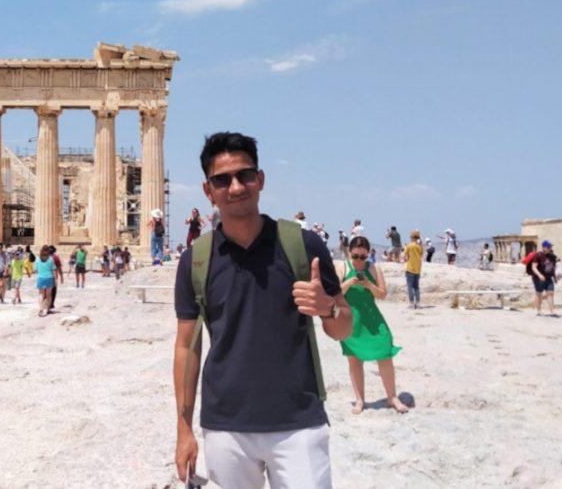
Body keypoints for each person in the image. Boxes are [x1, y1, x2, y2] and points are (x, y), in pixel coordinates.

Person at [174, 132, 352, 488]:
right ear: (208, 191)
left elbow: (343, 328)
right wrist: (183, 429)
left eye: (245, 175)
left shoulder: (303, 244)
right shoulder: (196, 259)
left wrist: (328, 308)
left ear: (261, 179)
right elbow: (185, 347)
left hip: (298, 423)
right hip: (225, 427)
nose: (236, 187)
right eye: (222, 180)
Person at [335, 236, 408, 415]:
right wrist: (349, 282)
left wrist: (368, 284)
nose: (359, 260)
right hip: (351, 319)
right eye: (356, 256)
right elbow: (335, 293)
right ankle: (360, 400)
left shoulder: (374, 269)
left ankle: (392, 397)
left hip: (373, 318)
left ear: (368, 254)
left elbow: (382, 294)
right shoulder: (343, 267)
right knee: (354, 359)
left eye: (363, 256)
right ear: (350, 253)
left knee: (385, 353)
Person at [530, 240, 558, 317]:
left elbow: (553, 268)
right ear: (543, 247)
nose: (550, 248)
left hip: (548, 278)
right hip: (538, 278)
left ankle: (552, 311)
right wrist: (539, 275)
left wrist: (555, 277)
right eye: (548, 247)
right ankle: (538, 310)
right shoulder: (538, 255)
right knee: (539, 294)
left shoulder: (552, 256)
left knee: (550, 293)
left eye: (550, 247)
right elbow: (534, 267)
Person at [33, 245, 57, 317]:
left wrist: (40, 273)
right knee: (48, 295)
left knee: (41, 294)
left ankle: (41, 308)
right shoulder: (50, 259)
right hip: (49, 278)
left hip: (41, 278)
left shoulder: (37, 259)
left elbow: (35, 270)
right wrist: (55, 279)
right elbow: (53, 269)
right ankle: (47, 309)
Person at [403, 230, 423, 309]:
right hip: (418, 269)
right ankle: (418, 303)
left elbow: (405, 256)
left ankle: (411, 303)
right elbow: (421, 255)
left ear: (411, 237)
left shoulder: (409, 246)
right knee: (416, 287)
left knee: (410, 287)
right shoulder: (420, 246)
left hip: (410, 269)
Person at [48, 245, 64, 312]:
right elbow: (59, 268)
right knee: (53, 290)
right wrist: (61, 277)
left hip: (46, 276)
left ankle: (47, 304)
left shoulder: (45, 257)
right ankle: (51, 304)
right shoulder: (56, 257)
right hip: (53, 276)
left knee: (46, 291)